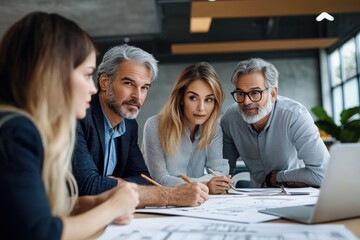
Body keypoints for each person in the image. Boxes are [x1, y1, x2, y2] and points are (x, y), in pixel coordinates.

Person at [0, 12, 139, 240]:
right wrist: (112, 207)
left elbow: (28, 213)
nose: (93, 89)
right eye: (86, 76)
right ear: (52, 75)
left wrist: (93, 203)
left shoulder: (21, 127)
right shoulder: (17, 132)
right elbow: (41, 233)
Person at [73, 44, 209, 207]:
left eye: (144, 88)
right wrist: (168, 196)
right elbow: (88, 186)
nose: (137, 96)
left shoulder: (129, 125)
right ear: (104, 82)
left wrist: (114, 183)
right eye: (129, 84)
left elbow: (143, 179)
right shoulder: (79, 116)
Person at [220, 58, 329, 188]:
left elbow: (323, 174)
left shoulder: (295, 116)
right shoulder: (230, 119)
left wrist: (277, 177)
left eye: (255, 93)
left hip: (297, 194)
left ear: (273, 93)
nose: (246, 101)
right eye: (240, 93)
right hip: (256, 198)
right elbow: (224, 172)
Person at [142, 62, 231, 194]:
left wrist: (214, 182)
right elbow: (160, 179)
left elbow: (219, 173)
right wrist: (206, 184)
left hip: (196, 204)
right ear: (181, 98)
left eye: (208, 100)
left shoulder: (214, 129)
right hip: (161, 203)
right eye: (193, 98)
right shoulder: (154, 125)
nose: (201, 108)